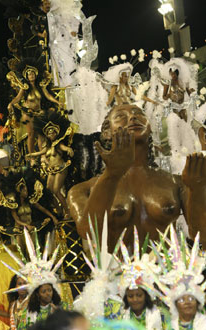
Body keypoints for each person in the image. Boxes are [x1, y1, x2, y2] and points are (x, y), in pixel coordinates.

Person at [67, 103, 206, 252]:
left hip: (167, 272)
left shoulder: (176, 182)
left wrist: (196, 189)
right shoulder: (83, 190)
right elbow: (88, 232)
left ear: (150, 127)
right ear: (107, 132)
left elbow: (201, 235)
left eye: (138, 113)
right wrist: (111, 175)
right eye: (121, 116)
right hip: (117, 272)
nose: (132, 117)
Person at [26, 112, 74, 219]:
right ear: (46, 135)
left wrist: (68, 149)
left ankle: (67, 211)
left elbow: (64, 148)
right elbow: (41, 152)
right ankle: (59, 209)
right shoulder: (48, 146)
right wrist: (31, 154)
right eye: (49, 133)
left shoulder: (59, 143)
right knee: (48, 189)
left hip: (61, 168)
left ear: (56, 133)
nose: (51, 134)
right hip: (51, 169)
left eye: (53, 132)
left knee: (56, 190)